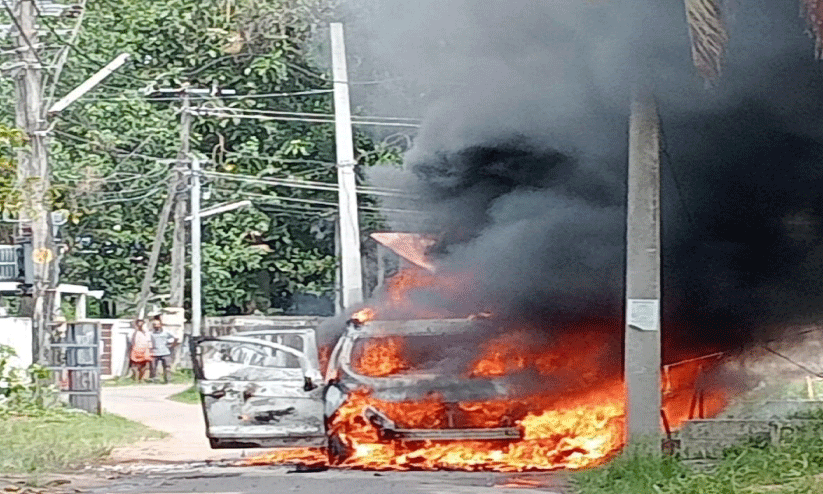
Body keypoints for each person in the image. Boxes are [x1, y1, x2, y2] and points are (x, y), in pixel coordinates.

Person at [149, 315, 177, 384]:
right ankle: (154, 381)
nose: (156, 326)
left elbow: (176, 338)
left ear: (161, 325)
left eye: (157, 324)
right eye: (154, 325)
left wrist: (172, 345)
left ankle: (168, 380)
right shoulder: (151, 333)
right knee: (153, 367)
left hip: (165, 352)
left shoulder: (166, 332)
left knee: (167, 367)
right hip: (154, 353)